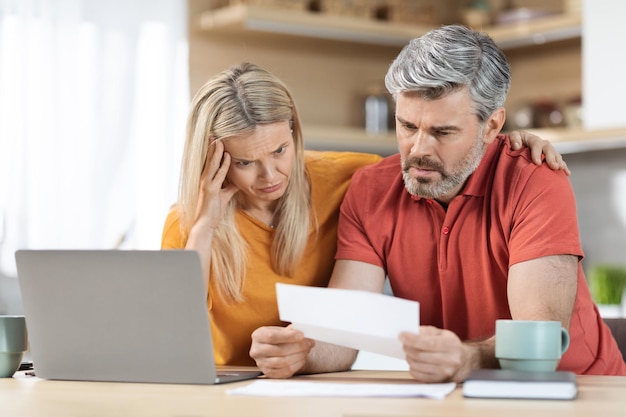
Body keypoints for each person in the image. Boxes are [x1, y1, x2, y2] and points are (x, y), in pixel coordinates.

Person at [248, 25, 626, 380]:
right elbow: (347, 329)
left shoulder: (535, 180)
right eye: (407, 126)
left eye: (442, 132)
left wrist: (469, 359)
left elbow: (540, 339)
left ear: (492, 127)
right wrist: (302, 351)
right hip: (457, 393)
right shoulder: (371, 190)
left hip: (581, 391)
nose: (418, 150)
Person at [162, 62, 568, 368]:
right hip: (221, 390)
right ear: (212, 158)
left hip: (304, 384)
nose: (270, 176)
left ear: (295, 133)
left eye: (280, 151)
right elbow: (170, 335)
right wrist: (204, 227)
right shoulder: (187, 224)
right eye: (246, 162)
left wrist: (500, 142)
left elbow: (429, 163)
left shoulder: (347, 178)